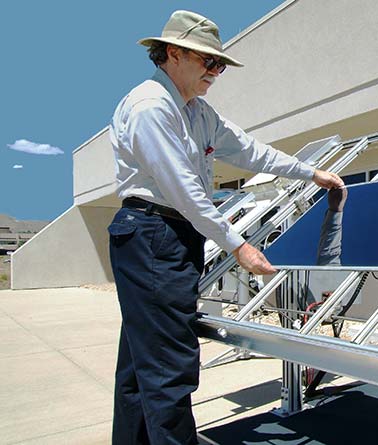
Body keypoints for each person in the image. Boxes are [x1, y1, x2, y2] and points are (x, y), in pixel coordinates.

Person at [107, 10, 343, 444]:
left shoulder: (197, 112)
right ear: (173, 54)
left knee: (142, 366)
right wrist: (239, 247)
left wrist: (311, 174)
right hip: (153, 235)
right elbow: (181, 188)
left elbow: (252, 151)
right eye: (208, 62)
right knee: (168, 369)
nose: (216, 72)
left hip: (168, 237)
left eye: (219, 65)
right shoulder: (150, 107)